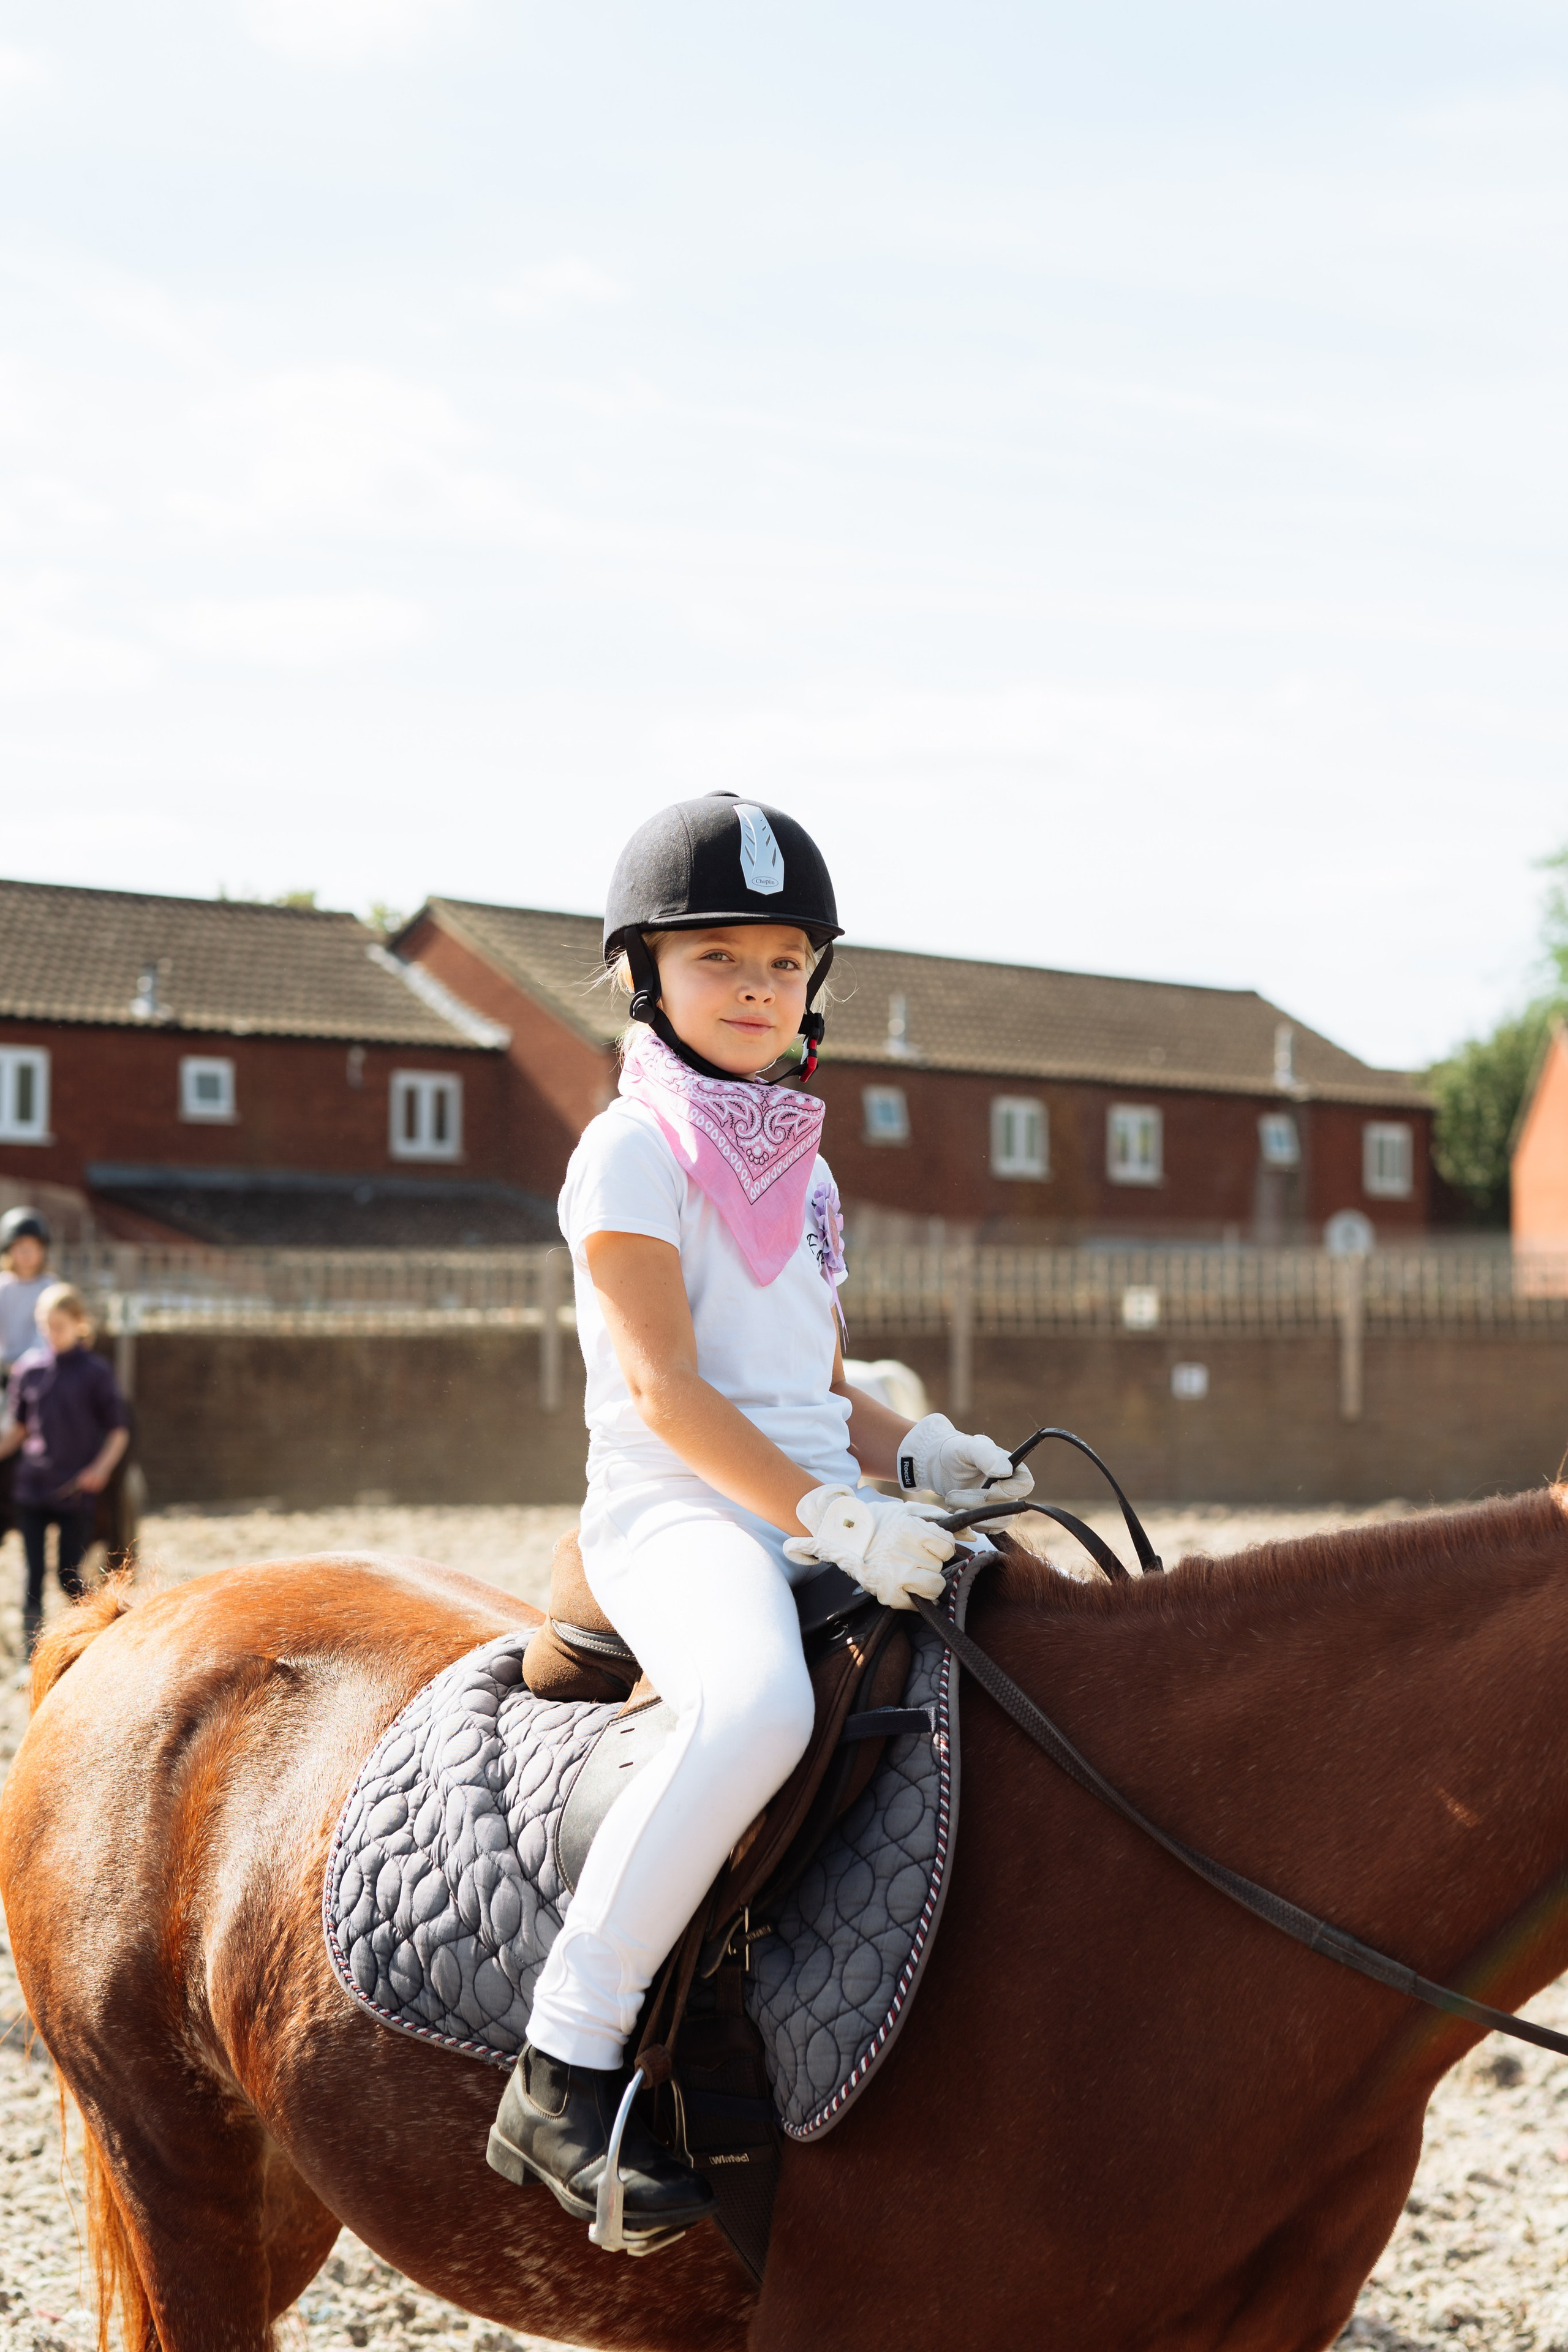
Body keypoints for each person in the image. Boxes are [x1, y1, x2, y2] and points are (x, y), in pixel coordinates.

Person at [485, 792, 1035, 2245]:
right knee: (752, 1714)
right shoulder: (627, 1148)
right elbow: (665, 1391)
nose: (752, 987)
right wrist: (832, 1519)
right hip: (676, 1516)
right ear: (644, 976)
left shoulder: (801, 1160)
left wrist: (915, 1444)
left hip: (818, 1495)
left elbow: (808, 1381)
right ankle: (565, 2057)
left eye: (782, 962)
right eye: (717, 956)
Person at [0, 1281, 129, 1655]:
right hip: (33, 1487)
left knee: (68, 1576)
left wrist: (100, 1470)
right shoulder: (29, 1371)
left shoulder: (96, 1373)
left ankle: (96, 1642)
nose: (50, 1333)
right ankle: (32, 1653)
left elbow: (118, 1431)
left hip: (75, 1489)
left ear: (78, 1323)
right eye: (44, 1324)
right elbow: (20, 1430)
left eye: (58, 1324)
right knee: (32, 1573)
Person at [0, 1207, 52, 1378]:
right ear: (9, 1250)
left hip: (39, 1371)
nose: (27, 1254)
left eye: (33, 1247)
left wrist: (26, 1363)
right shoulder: (3, 1286)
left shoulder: (50, 1287)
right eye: (21, 1247)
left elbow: (46, 1332)